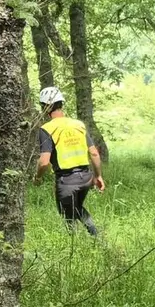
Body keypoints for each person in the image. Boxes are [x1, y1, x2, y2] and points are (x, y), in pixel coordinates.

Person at [34, 86, 105, 236]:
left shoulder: (46, 128)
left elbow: (44, 161)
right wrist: (98, 176)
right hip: (86, 177)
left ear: (46, 107)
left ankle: (81, 243)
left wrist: (38, 177)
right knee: (77, 208)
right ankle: (97, 238)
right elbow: (94, 153)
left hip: (67, 180)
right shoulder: (78, 124)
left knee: (67, 215)